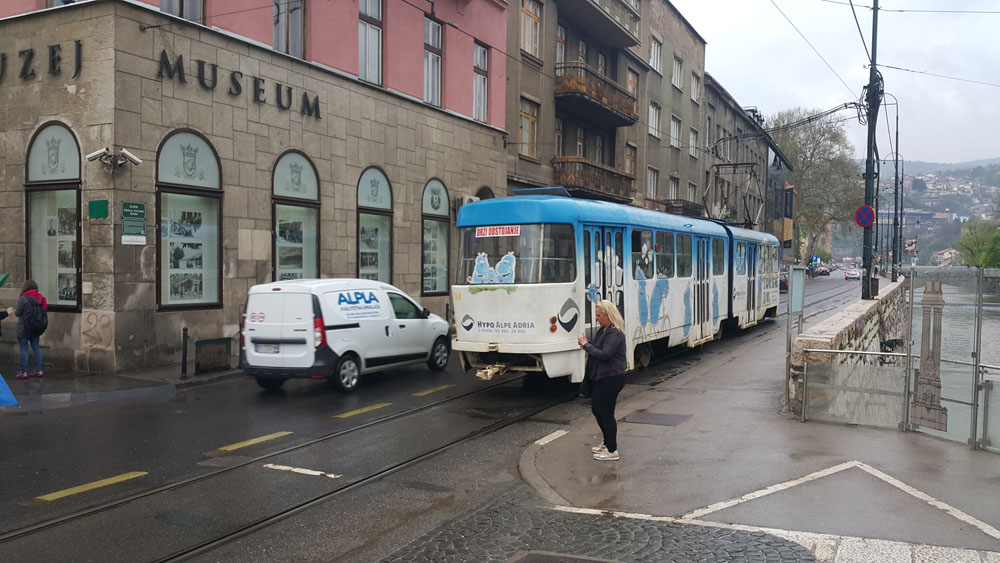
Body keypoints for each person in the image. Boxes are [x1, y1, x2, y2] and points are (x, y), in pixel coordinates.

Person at [578, 300, 627, 461]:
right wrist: (587, 344)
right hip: (602, 377)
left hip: (611, 378)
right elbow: (597, 348)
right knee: (597, 410)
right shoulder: (604, 330)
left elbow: (605, 354)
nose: (596, 318)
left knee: (606, 413)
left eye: (599, 315)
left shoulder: (615, 333)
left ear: (607, 315)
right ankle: (607, 442)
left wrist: (586, 345)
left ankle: (612, 450)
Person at [14, 280, 47, 379]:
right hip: (36, 327)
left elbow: (18, 313)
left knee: (24, 349)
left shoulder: (23, 299)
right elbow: (45, 311)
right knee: (36, 347)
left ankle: (24, 372)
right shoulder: (42, 298)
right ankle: (39, 370)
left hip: (24, 328)